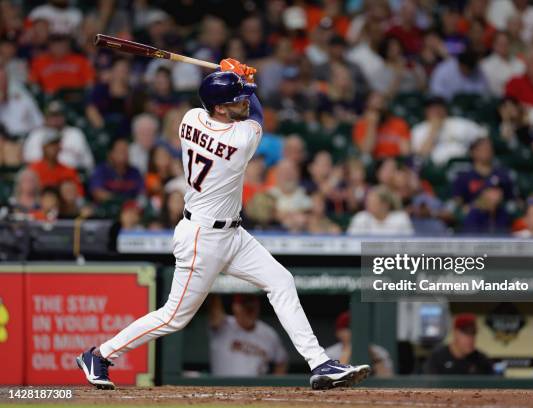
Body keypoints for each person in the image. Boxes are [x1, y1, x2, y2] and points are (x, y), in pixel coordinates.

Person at [76, 63, 370, 390]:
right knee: (174, 317)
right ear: (218, 107)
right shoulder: (241, 139)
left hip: (231, 234)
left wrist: (235, 80)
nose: (244, 102)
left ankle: (319, 363)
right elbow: (257, 115)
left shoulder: (190, 118)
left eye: (241, 98)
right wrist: (245, 77)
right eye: (236, 100)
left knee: (280, 280)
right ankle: (100, 355)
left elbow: (237, 105)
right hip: (204, 237)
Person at [207, 294, 288, 376]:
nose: (249, 313)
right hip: (223, 387)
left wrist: (275, 387)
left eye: (252, 308)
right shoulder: (223, 325)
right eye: (246, 309)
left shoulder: (269, 333)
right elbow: (214, 307)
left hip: (256, 387)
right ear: (235, 307)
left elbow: (281, 361)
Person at [411, 96, 487, 167]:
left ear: (445, 109)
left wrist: (473, 151)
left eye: (439, 107)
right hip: (438, 167)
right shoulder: (419, 129)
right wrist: (433, 130)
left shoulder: (460, 123)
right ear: (426, 111)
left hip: (465, 164)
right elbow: (420, 156)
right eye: (432, 108)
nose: (436, 110)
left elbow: (483, 136)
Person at [23, 100, 94, 172]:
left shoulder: (75, 133)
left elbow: (88, 163)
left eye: (59, 115)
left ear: (64, 117)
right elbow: (28, 161)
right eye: (52, 115)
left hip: (69, 176)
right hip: (42, 176)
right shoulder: (36, 135)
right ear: (46, 117)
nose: (56, 119)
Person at [325, 312, 393, 377]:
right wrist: (348, 348)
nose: (355, 332)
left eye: (359, 328)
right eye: (349, 328)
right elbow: (335, 379)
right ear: (338, 333)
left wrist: (374, 357)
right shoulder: (329, 353)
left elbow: (386, 380)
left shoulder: (379, 351)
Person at [424, 313, 493, 375]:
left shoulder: (482, 360)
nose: (470, 339)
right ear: (456, 333)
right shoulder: (437, 358)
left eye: (473, 333)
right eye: (466, 333)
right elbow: (429, 386)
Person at [28, 129, 84, 196]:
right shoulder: (33, 169)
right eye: (51, 144)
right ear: (43, 147)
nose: (55, 147)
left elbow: (79, 194)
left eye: (57, 144)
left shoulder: (68, 170)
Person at [89, 138, 145, 204]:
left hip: (130, 209)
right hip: (106, 208)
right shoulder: (101, 170)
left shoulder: (134, 172)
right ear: (111, 153)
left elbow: (142, 194)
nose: (124, 154)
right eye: (120, 151)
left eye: (126, 150)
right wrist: (119, 200)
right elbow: (97, 192)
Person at [347, 185, 413, 236]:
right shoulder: (360, 218)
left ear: (385, 205)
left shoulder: (401, 218)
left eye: (373, 202)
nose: (368, 205)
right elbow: (350, 242)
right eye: (368, 201)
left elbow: (410, 244)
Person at [480, 31, 525, 97]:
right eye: (500, 44)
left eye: (506, 43)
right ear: (494, 45)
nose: (504, 47)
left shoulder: (520, 63)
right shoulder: (486, 65)